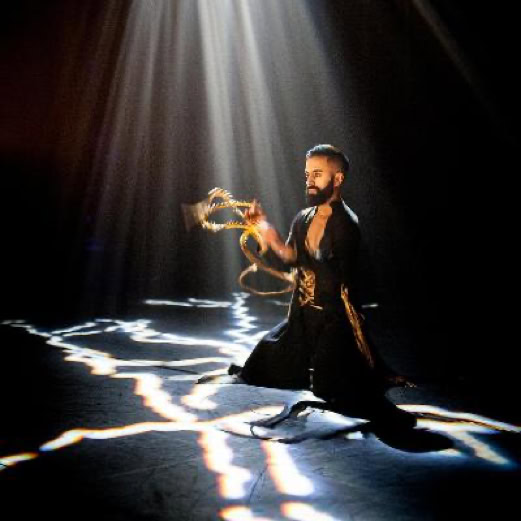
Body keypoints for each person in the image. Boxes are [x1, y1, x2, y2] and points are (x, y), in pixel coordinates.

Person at [230, 144, 415, 430]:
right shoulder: (303, 218)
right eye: (307, 175)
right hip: (304, 315)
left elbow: (346, 282)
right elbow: (290, 256)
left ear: (337, 179)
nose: (310, 181)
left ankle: (337, 366)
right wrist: (264, 227)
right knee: (261, 362)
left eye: (317, 174)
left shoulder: (347, 224)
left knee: (330, 385)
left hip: (333, 318)